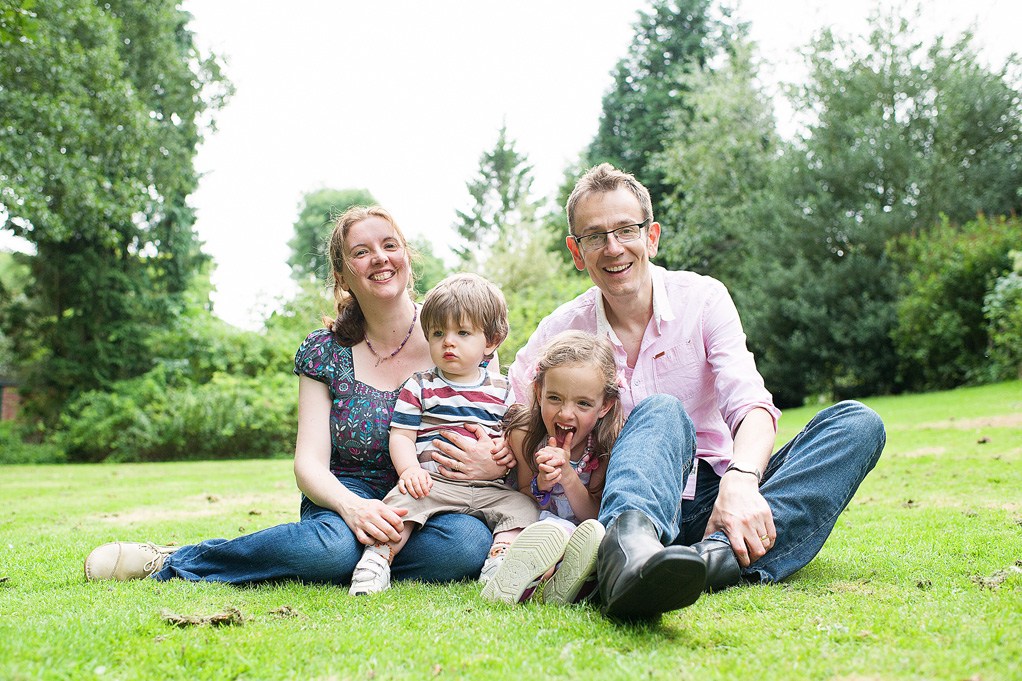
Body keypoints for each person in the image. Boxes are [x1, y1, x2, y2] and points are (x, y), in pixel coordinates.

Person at [507, 164, 887, 620]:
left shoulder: (703, 298)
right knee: (662, 411)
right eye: (594, 236)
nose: (613, 248)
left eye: (626, 229)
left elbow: (751, 407)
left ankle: (698, 563)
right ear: (576, 251)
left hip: (718, 496)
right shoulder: (562, 329)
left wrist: (742, 481)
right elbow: (513, 410)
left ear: (652, 236)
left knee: (857, 424)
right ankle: (631, 552)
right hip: (630, 499)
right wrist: (488, 450)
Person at [84, 206, 507, 586]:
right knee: (327, 549)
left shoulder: (464, 329)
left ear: (406, 258)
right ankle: (177, 560)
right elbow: (308, 464)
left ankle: (360, 562)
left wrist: (494, 458)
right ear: (341, 276)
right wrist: (354, 508)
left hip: (432, 500)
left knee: (466, 546)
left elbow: (496, 418)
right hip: (346, 493)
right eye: (361, 252)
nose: (379, 257)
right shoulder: (324, 350)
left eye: (389, 245)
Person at [348, 273, 545, 596]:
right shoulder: (421, 384)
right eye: (438, 333)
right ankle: (377, 561)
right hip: (433, 484)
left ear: (491, 341)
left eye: (462, 332)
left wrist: (505, 451)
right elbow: (401, 434)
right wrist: (409, 470)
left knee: (524, 508)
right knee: (401, 506)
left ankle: (501, 561)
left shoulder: (503, 389)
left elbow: (513, 434)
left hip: (487, 487)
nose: (448, 341)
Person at [483, 330, 625, 606]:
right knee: (544, 533)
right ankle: (526, 579)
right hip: (537, 527)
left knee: (593, 537)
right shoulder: (525, 434)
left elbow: (594, 512)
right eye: (555, 398)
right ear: (538, 391)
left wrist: (569, 477)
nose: (565, 413)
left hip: (581, 532)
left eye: (583, 403)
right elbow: (524, 497)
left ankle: (562, 581)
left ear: (605, 406)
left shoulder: (606, 445)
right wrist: (542, 483)